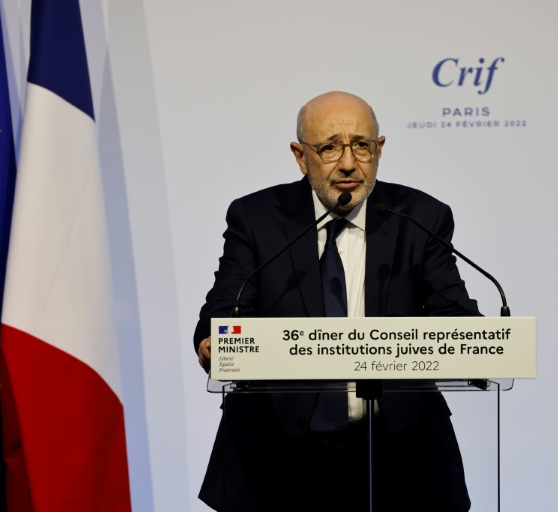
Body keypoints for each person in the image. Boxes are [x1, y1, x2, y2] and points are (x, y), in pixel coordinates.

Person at [195, 91, 479, 511]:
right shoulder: (256, 217)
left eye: (361, 146)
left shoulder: (419, 216)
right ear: (300, 156)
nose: (348, 163)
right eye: (329, 148)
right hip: (277, 453)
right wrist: (213, 341)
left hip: (399, 455)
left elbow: (457, 319)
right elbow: (225, 308)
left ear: (379, 150)